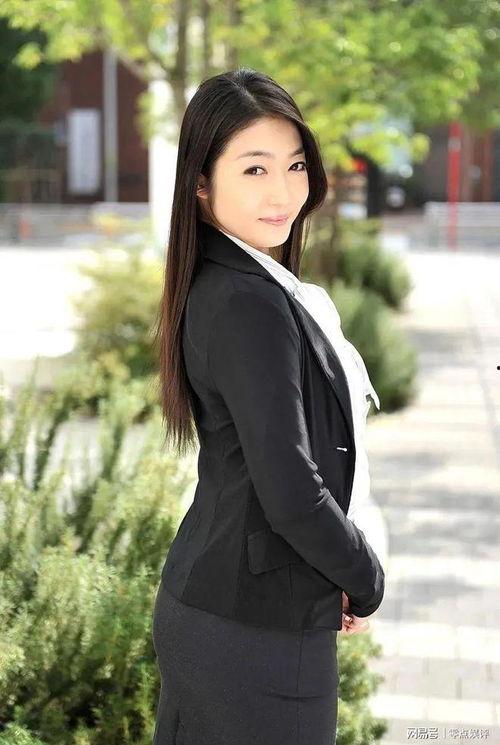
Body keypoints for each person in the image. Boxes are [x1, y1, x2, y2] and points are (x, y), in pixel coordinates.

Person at [151, 67, 385, 745]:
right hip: (252, 635)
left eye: (295, 165)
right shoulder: (247, 302)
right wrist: (363, 576)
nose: (282, 191)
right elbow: (291, 491)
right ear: (201, 182)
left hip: (229, 614)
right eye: (254, 168)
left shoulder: (240, 282)